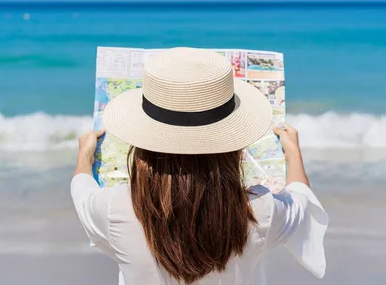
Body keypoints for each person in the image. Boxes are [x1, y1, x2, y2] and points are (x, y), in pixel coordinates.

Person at [71, 48, 327, 285]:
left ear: (143, 145)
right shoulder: (259, 210)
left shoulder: (117, 208)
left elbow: (81, 193)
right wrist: (293, 154)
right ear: (232, 146)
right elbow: (301, 202)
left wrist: (85, 156)